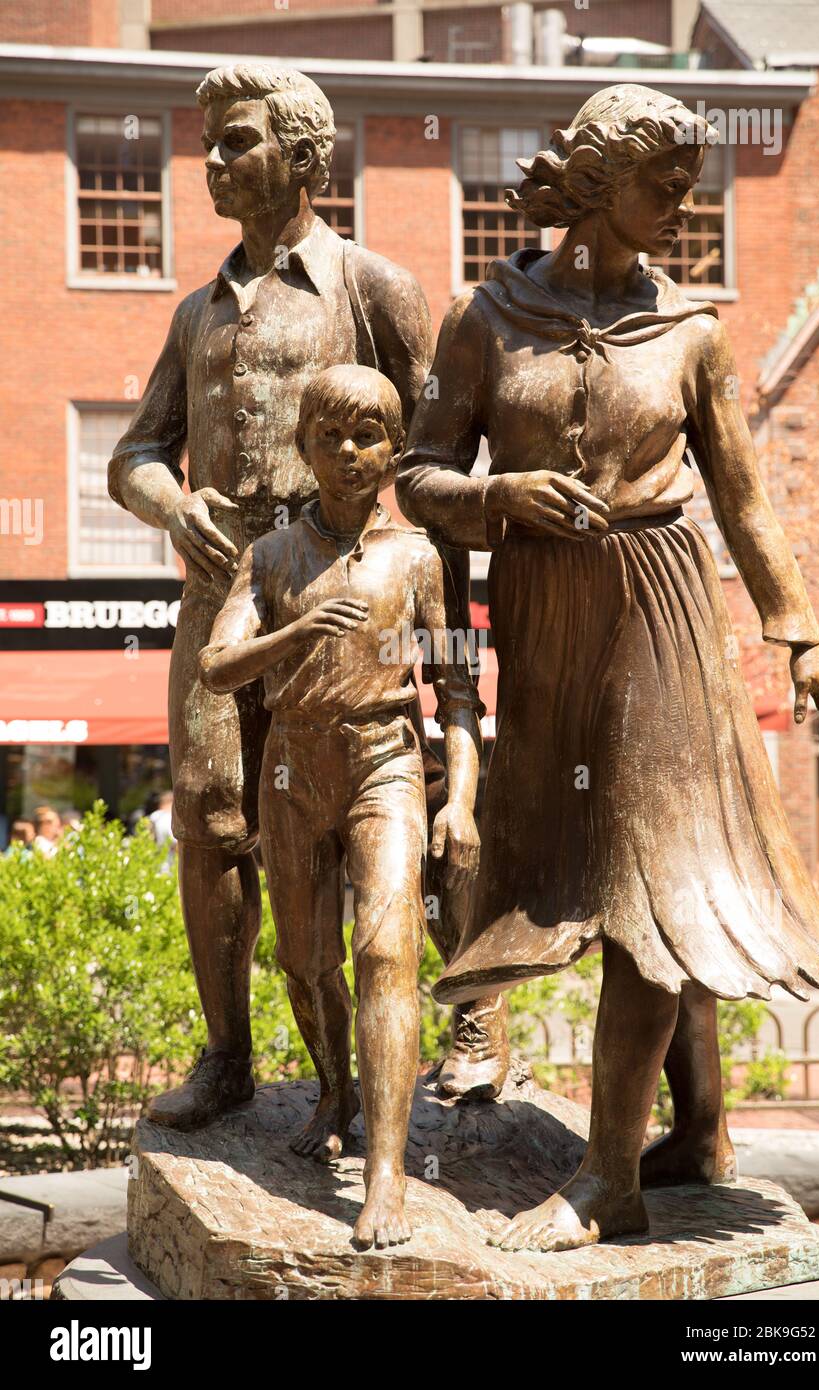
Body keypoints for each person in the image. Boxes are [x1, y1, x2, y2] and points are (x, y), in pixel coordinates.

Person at [397, 83, 819, 1253]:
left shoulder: (692, 332)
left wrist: (799, 639)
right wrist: (496, 494)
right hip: (545, 620)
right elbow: (416, 477)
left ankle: (610, 1175)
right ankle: (700, 1129)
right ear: (598, 181)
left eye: (689, 181)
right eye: (663, 180)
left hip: (660, 610)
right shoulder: (485, 319)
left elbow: (745, 504)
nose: (682, 201)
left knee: (663, 867)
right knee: (587, 867)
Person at [108, 62, 506, 1130]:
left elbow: (430, 462)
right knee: (207, 813)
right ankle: (230, 1055)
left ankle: (469, 1022)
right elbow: (134, 452)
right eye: (211, 142)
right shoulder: (198, 313)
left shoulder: (374, 287)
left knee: (419, 800)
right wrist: (167, 501)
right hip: (227, 593)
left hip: (368, 583)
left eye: (236, 140)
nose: (213, 160)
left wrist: (452, 652)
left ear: (304, 156)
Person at [199, 365, 483, 1246]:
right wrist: (293, 634)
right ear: (304, 446)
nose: (350, 452)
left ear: (395, 451)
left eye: (368, 437)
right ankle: (334, 1089)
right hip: (292, 768)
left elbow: (458, 693)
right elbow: (216, 666)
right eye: (331, 436)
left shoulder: (420, 560)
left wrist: (461, 801)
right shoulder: (273, 556)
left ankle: (388, 1175)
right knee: (305, 958)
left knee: (388, 951)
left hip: (385, 762)